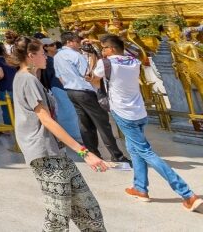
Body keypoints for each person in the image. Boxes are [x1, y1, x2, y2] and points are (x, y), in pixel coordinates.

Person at [92, 34, 201, 212]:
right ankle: (140, 188)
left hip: (123, 113)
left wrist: (94, 56)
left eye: (104, 48)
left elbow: (93, 79)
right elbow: (133, 51)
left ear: (110, 49)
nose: (103, 51)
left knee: (145, 152)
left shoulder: (105, 63)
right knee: (134, 150)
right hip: (139, 111)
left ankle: (187, 193)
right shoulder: (134, 61)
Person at [11, 36, 108, 230]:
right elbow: (46, 120)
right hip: (44, 154)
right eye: (42, 53)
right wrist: (84, 152)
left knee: (88, 208)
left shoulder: (30, 78)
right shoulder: (27, 80)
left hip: (55, 151)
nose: (46, 57)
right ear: (31, 56)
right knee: (58, 216)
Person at [55, 32, 128, 163]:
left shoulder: (57, 56)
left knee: (85, 124)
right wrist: (92, 57)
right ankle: (117, 156)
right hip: (85, 91)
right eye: (77, 41)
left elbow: (59, 76)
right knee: (102, 123)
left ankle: (93, 154)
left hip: (71, 91)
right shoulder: (76, 55)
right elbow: (89, 75)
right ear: (70, 42)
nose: (79, 44)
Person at [41, 37, 82, 147]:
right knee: (66, 111)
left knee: (69, 111)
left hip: (64, 86)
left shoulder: (56, 58)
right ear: (45, 47)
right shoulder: (47, 60)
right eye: (52, 44)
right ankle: (70, 136)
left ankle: (72, 135)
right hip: (57, 86)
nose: (55, 46)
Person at [0, 42, 17, 128]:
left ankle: (7, 128)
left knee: (6, 110)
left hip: (5, 89)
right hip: (15, 87)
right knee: (16, 110)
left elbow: (0, 75)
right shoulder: (10, 59)